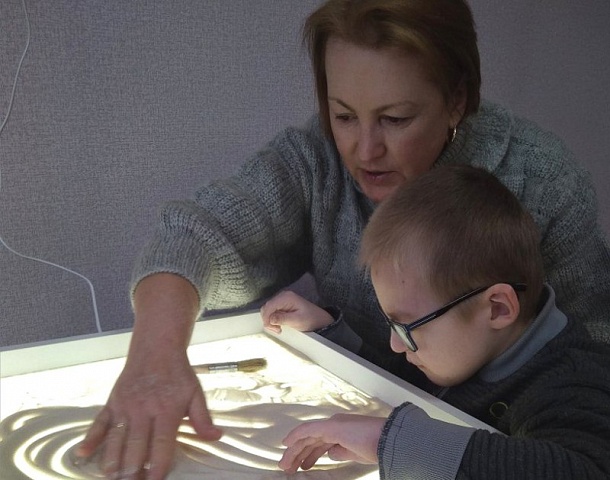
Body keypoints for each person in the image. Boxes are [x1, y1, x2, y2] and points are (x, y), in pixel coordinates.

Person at [76, 0, 610, 478]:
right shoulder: (318, 157)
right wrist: (155, 355)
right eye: (343, 116)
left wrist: (394, 441)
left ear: (456, 102)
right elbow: (198, 235)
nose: (364, 150)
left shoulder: (544, 183)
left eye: (395, 119)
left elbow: (575, 405)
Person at [276, 164, 610, 479]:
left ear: (496, 309)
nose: (395, 345)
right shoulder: (469, 351)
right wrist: (327, 333)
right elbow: (411, 385)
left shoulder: (574, 384)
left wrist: (392, 442)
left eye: (406, 327)